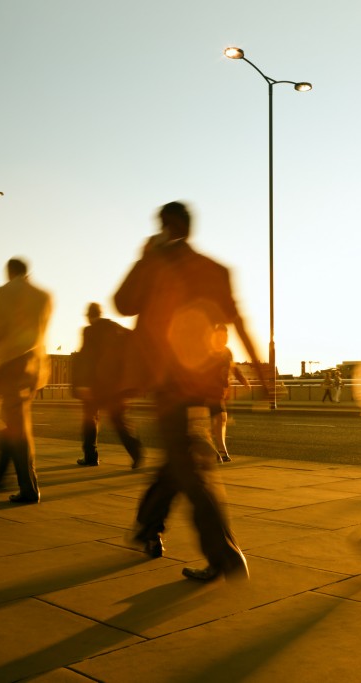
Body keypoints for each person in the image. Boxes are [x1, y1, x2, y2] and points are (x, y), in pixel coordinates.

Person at [115, 201, 267, 581]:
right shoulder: (216, 270)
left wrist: (144, 257)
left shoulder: (155, 266)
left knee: (186, 465)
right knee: (181, 459)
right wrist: (261, 370)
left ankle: (222, 554)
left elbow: (123, 303)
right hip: (202, 382)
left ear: (165, 227)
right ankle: (148, 526)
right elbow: (239, 320)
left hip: (168, 380)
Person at [0, 258, 53, 504]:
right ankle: (5, 474)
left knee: (17, 428)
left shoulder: (3, 292)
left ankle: (29, 489)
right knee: (16, 423)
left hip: (11, 365)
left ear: (9, 272)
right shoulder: (44, 295)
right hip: (34, 366)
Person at [73, 303, 143, 468]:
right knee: (119, 421)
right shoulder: (114, 327)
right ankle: (135, 450)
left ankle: (91, 457)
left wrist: (83, 384)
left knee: (89, 420)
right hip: (115, 386)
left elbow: (87, 359)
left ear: (89, 316)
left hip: (95, 386)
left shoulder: (89, 331)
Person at [205, 324, 247, 464]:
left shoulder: (227, 352)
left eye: (225, 336)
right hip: (207, 392)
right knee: (219, 418)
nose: (223, 338)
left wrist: (243, 380)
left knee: (218, 420)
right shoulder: (208, 350)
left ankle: (217, 451)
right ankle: (221, 451)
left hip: (220, 391)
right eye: (220, 335)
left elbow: (233, 368)